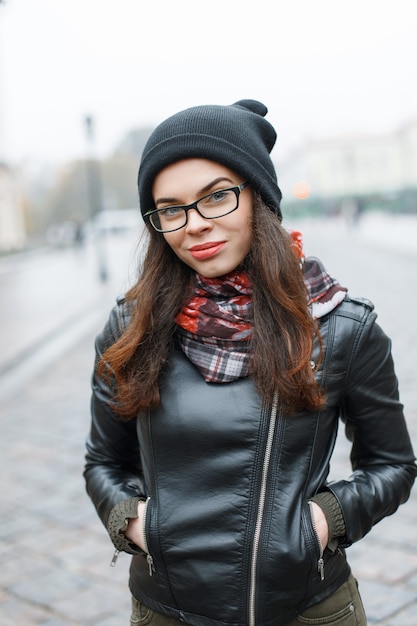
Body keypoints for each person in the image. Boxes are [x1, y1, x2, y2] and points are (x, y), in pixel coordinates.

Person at [84, 99, 416, 626]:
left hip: (308, 610)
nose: (193, 224)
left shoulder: (341, 327)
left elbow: (394, 466)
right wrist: (135, 522)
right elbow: (104, 463)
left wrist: (320, 523)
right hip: (167, 610)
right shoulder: (131, 327)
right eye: (171, 208)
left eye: (216, 197)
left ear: (258, 197)